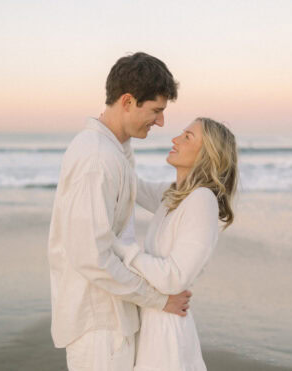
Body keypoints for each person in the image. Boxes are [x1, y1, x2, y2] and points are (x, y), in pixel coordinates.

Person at [47, 52, 192, 371]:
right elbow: (91, 257)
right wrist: (160, 300)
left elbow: (137, 190)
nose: (161, 122)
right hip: (99, 324)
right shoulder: (97, 159)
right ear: (128, 101)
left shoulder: (115, 149)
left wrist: (198, 192)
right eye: (156, 110)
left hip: (113, 317)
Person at [114, 117, 238, 371]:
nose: (175, 140)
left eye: (187, 137)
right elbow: (129, 183)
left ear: (206, 154)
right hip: (152, 319)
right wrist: (119, 133)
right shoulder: (176, 195)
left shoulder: (202, 200)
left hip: (166, 332)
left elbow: (175, 278)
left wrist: (123, 249)